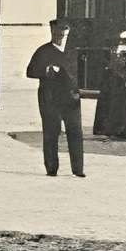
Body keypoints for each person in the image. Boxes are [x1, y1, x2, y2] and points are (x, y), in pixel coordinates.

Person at [25, 19, 84, 178]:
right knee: (51, 133)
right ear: (52, 32)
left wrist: (79, 91)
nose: (61, 37)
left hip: (71, 99)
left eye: (64, 34)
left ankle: (78, 169)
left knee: (75, 132)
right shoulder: (43, 51)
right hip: (50, 99)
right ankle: (51, 169)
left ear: (68, 33)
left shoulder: (73, 52)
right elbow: (30, 71)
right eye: (58, 34)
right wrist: (46, 70)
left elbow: (80, 74)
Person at [93, 28, 126, 143]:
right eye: (121, 40)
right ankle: (112, 131)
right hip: (116, 83)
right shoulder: (115, 50)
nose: (122, 42)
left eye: (125, 40)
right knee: (113, 107)